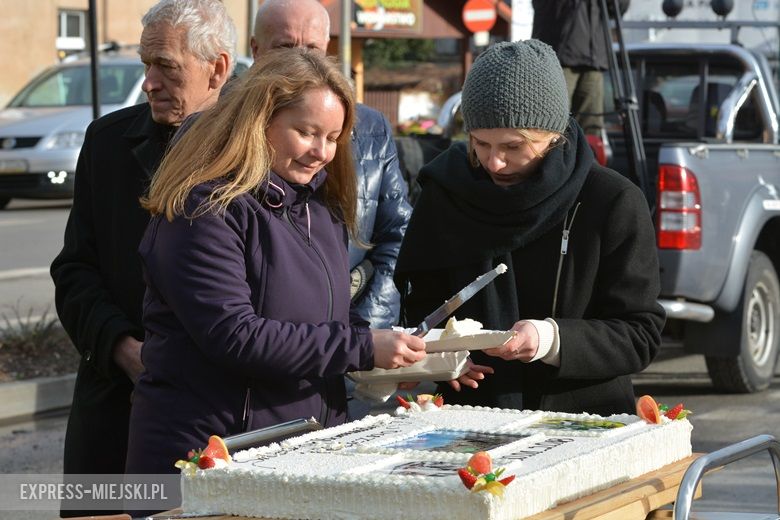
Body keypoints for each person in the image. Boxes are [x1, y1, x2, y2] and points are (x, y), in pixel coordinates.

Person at [124, 47, 426, 478]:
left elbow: (327, 324)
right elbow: (234, 335)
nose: (321, 151)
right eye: (306, 132)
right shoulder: (204, 208)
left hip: (304, 446)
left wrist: (405, 355)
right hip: (211, 453)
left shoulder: (319, 206)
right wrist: (362, 349)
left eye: (334, 137)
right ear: (261, 121)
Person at [394, 40, 665, 416]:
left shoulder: (611, 201)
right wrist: (442, 357)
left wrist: (550, 339)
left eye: (514, 146)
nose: (495, 162)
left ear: (554, 136)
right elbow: (422, 306)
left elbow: (640, 335)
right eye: (480, 143)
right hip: (469, 424)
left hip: (583, 424)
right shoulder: (444, 193)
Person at [49, 0, 235, 515]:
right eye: (145, 64)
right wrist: (120, 346)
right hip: (114, 407)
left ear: (217, 69)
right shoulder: (108, 143)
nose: (149, 82)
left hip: (221, 415)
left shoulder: (259, 147)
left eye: (166, 67)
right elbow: (74, 270)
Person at [251, 0, 412, 331]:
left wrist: (361, 335)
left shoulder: (369, 128)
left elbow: (397, 237)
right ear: (256, 50)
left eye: (311, 47)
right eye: (284, 46)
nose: (299, 59)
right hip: (261, 349)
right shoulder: (221, 131)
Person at [532, 0, 608, 136]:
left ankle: (590, 156)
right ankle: (554, 156)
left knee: (592, 125)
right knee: (552, 122)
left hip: (593, 58)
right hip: (559, 57)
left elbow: (618, 8)